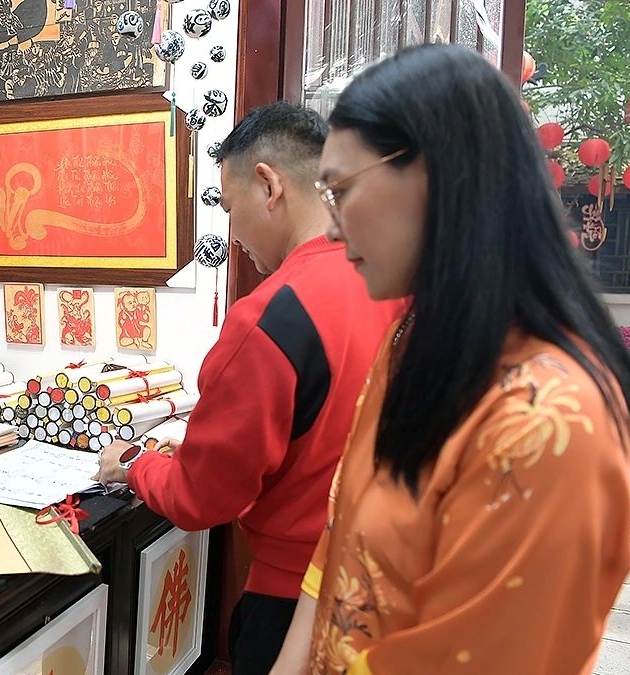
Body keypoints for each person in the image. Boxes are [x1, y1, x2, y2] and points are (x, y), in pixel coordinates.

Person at [270, 44, 630, 675]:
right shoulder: (414, 341)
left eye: (339, 190)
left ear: (437, 173)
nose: (332, 230)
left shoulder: (550, 422)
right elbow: (341, 544)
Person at [95, 102, 404, 674]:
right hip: (386, 581)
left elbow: (202, 497)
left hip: (294, 599)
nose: (233, 236)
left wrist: (133, 462)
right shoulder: (392, 278)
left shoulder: (271, 319)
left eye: (229, 209)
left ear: (269, 185)